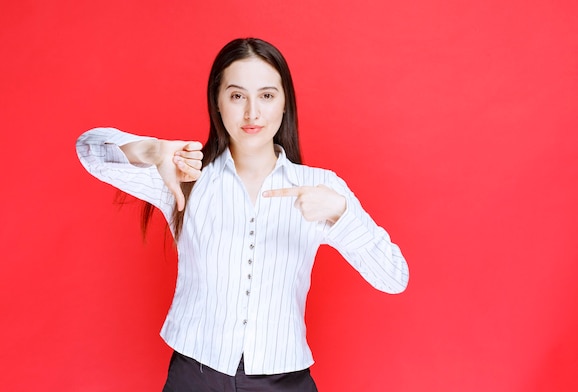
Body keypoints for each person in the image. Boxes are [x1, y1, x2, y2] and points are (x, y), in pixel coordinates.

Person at [76, 38, 409, 391]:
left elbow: (394, 277)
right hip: (194, 376)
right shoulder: (186, 176)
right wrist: (151, 149)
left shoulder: (320, 187)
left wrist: (342, 214)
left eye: (267, 96)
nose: (252, 113)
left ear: (285, 104)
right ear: (217, 104)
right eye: (237, 96)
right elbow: (89, 148)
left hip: (284, 381)